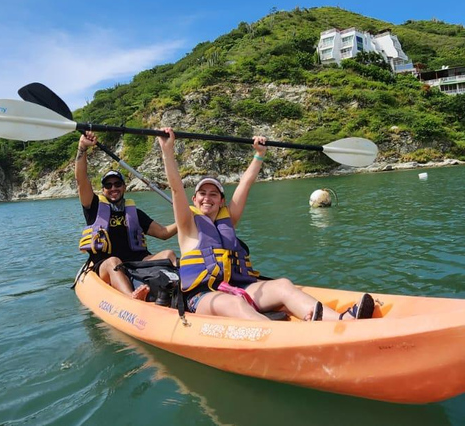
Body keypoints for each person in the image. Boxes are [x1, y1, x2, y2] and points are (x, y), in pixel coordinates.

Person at [157, 128, 374, 321]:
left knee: (283, 285)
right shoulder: (187, 224)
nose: (207, 198)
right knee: (235, 303)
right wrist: (167, 151)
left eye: (213, 194)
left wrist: (259, 155)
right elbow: (176, 189)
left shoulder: (228, 220)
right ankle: (283, 339)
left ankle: (341, 320)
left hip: (239, 287)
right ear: (194, 199)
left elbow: (245, 184)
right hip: (202, 296)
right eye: (202, 193)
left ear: (221, 201)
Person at [76, 131, 177, 300]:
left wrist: (187, 218)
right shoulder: (93, 207)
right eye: (108, 185)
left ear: (124, 187)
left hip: (137, 261)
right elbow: (81, 180)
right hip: (106, 265)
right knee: (114, 261)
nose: (113, 188)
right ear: (103, 189)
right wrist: (82, 148)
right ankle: (132, 297)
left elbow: (164, 233)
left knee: (169, 254)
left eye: (117, 184)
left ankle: (185, 288)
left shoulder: (134, 213)